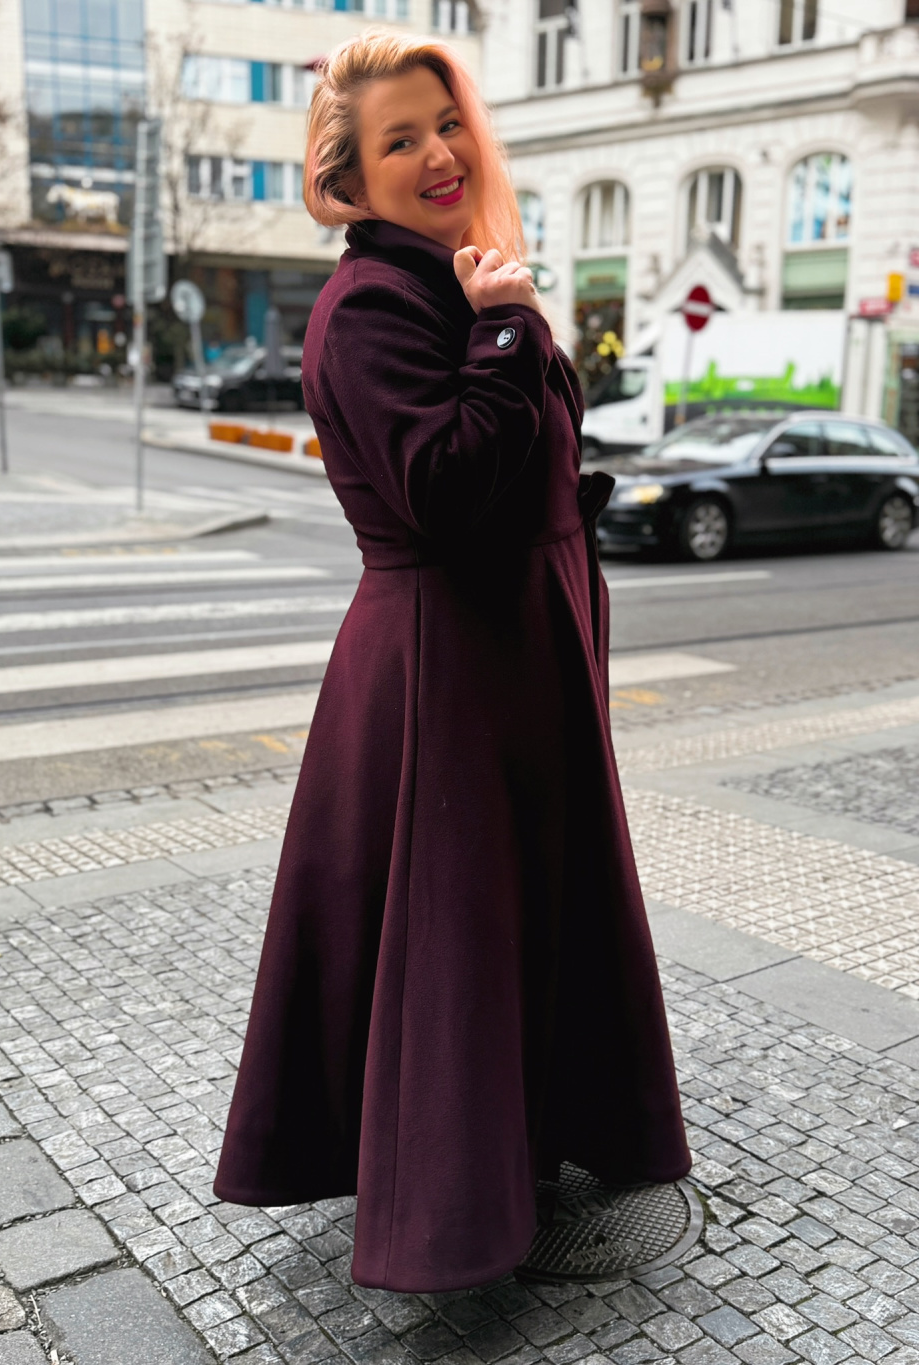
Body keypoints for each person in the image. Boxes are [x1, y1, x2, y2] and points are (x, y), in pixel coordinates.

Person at [214, 29, 691, 1294]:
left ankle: (539, 1135)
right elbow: (445, 488)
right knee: (458, 925)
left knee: (523, 903)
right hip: (451, 668)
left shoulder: (453, 274)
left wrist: (504, 324)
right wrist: (505, 332)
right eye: (398, 140)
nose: (437, 153)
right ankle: (452, 1213)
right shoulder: (374, 305)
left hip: (513, 650)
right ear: (348, 180)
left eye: (444, 124)